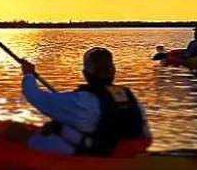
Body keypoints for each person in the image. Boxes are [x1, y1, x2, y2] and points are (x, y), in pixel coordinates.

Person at [18, 47, 152, 156]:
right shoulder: (130, 96)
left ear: (85, 74)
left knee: (16, 133)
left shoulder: (82, 102)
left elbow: (34, 96)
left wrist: (29, 74)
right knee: (55, 127)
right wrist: (56, 126)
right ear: (113, 71)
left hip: (95, 154)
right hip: (126, 151)